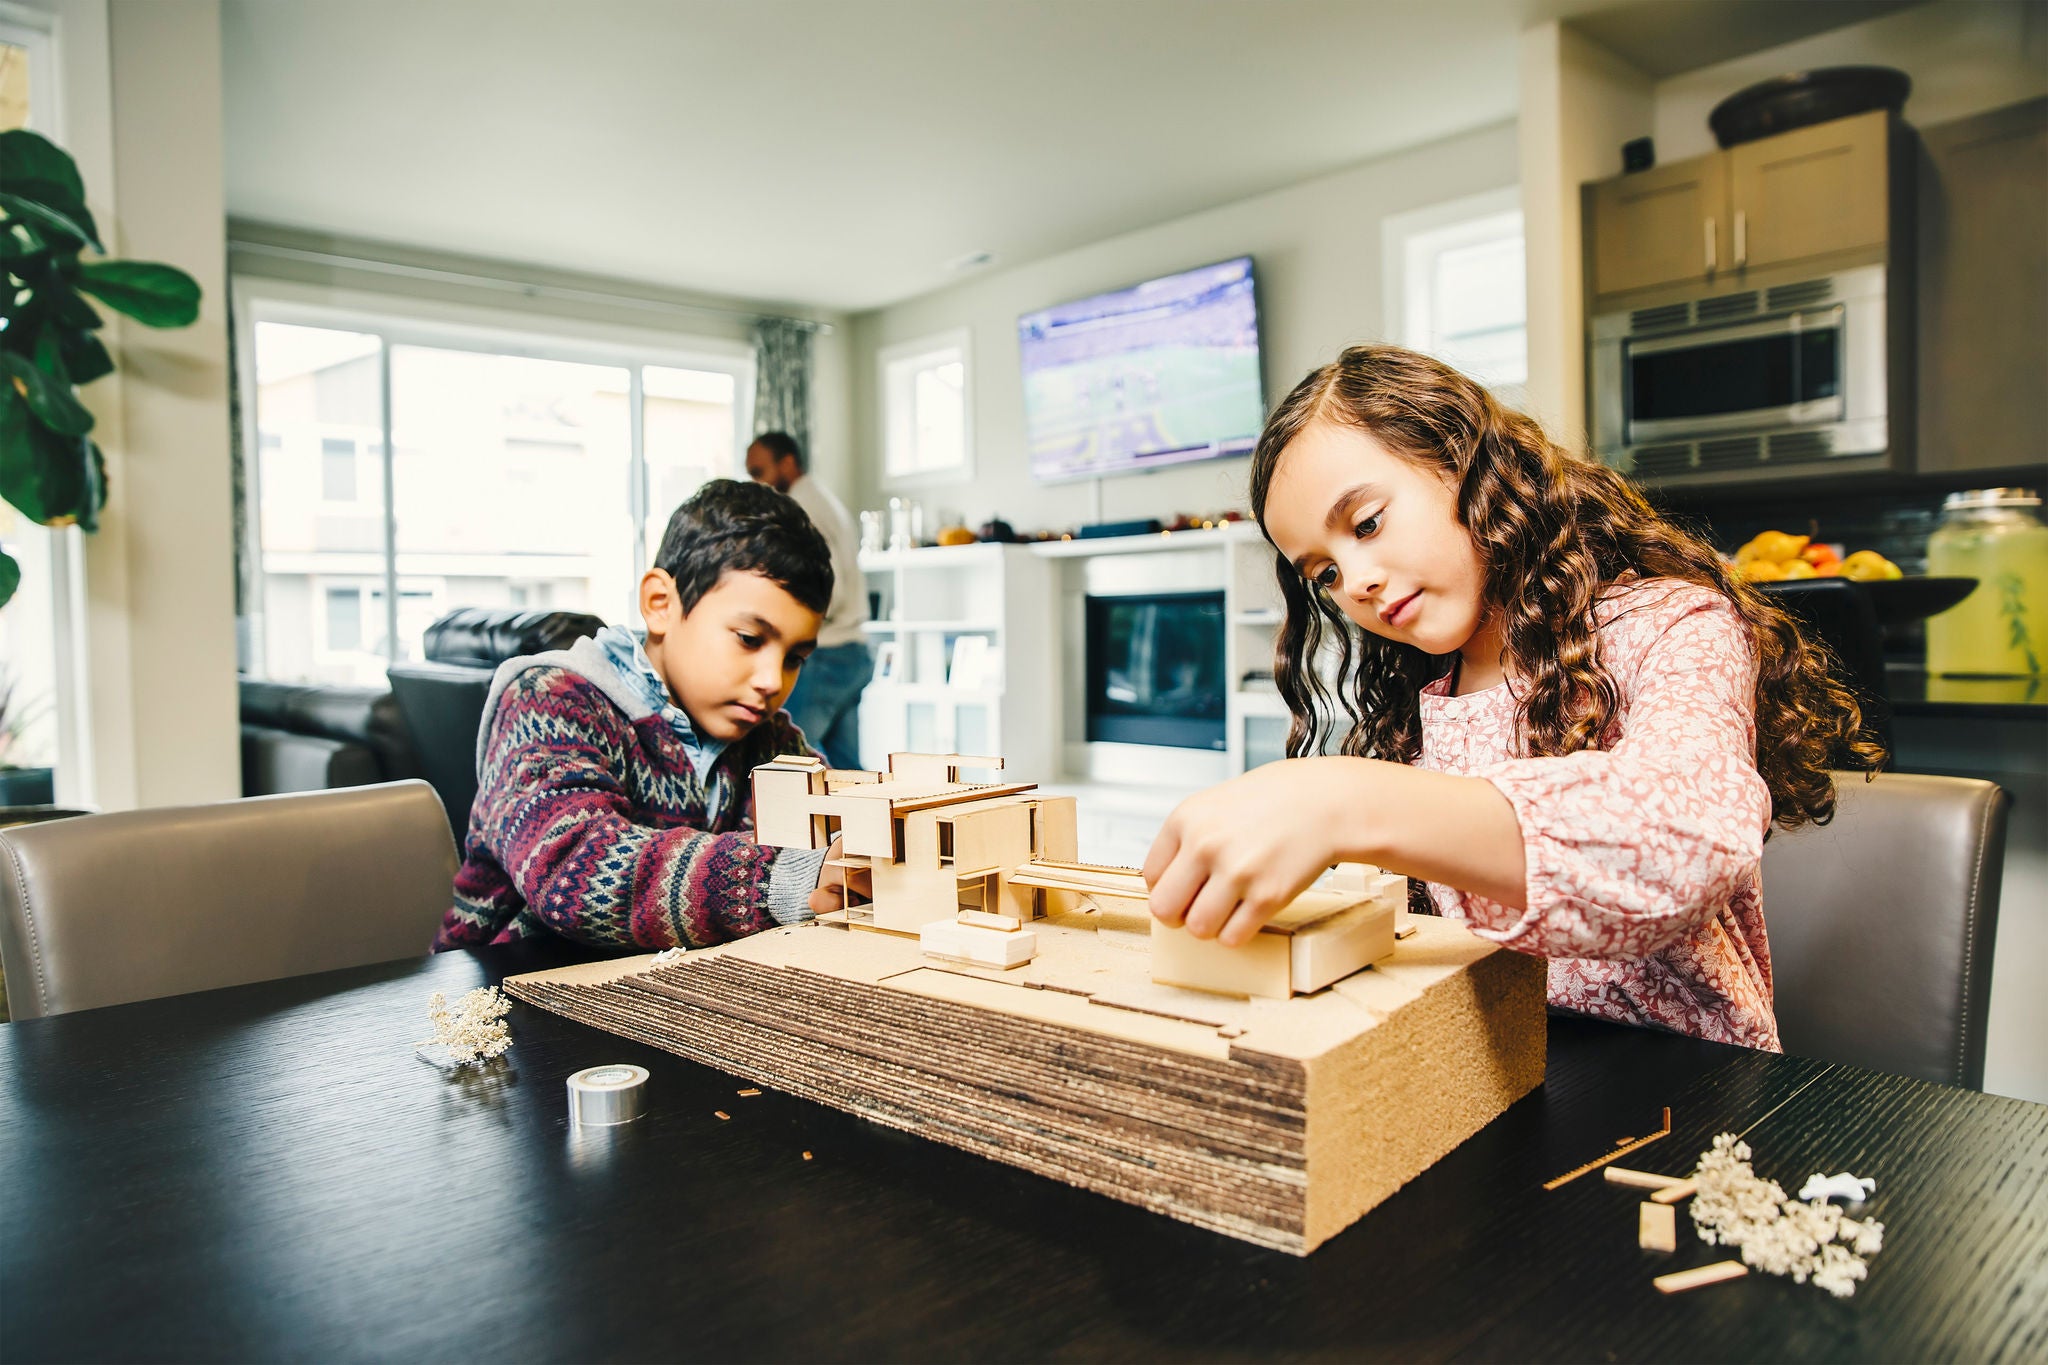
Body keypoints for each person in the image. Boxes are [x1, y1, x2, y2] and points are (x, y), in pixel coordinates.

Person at [1143, 345, 1883, 1049]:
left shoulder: (1673, 625)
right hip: (1498, 1086)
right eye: (1325, 574)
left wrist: (1347, 800)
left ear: (1467, 464)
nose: (1357, 580)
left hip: (1691, 1091)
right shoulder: (1413, 701)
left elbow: (1690, 838)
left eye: (1367, 523)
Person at [434, 479, 844, 951]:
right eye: (750, 639)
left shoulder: (767, 739)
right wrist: (779, 878)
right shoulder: (549, 701)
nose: (773, 679)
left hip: (662, 994)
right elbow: (574, 869)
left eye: (794, 658)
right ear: (661, 605)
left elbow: (825, 830)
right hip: (499, 997)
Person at [745, 430, 873, 770]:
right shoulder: (823, 500)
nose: (758, 484)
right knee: (847, 771)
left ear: (787, 463)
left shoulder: (803, 510)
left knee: (786, 764)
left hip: (827, 655)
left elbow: (830, 589)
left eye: (760, 472)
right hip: (852, 651)